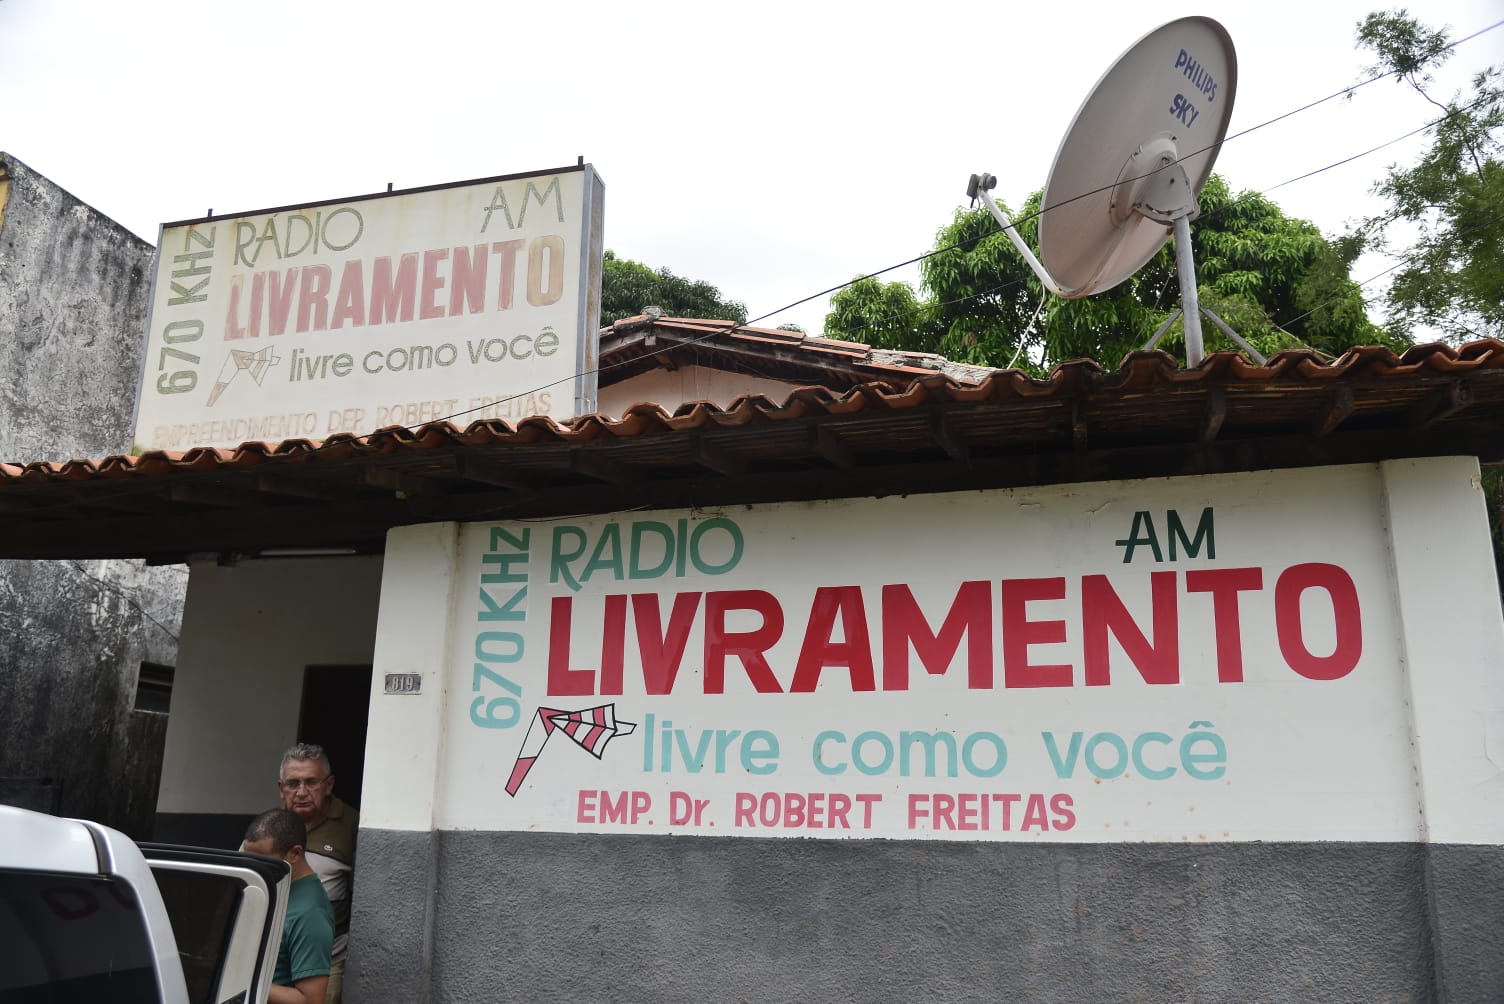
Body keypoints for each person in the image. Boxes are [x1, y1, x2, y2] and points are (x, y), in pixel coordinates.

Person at [276, 743, 358, 1004]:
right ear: (281, 788)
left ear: (329, 785)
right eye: (293, 783)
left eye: (311, 782)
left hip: (326, 960)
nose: (301, 792)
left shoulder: (352, 825)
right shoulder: (269, 826)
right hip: (273, 955)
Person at [243, 808, 334, 1004]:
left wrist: (241, 982)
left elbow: (311, 999)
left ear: (294, 854)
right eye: (248, 858)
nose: (252, 867)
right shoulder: (275, 885)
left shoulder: (311, 914)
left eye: (262, 860)